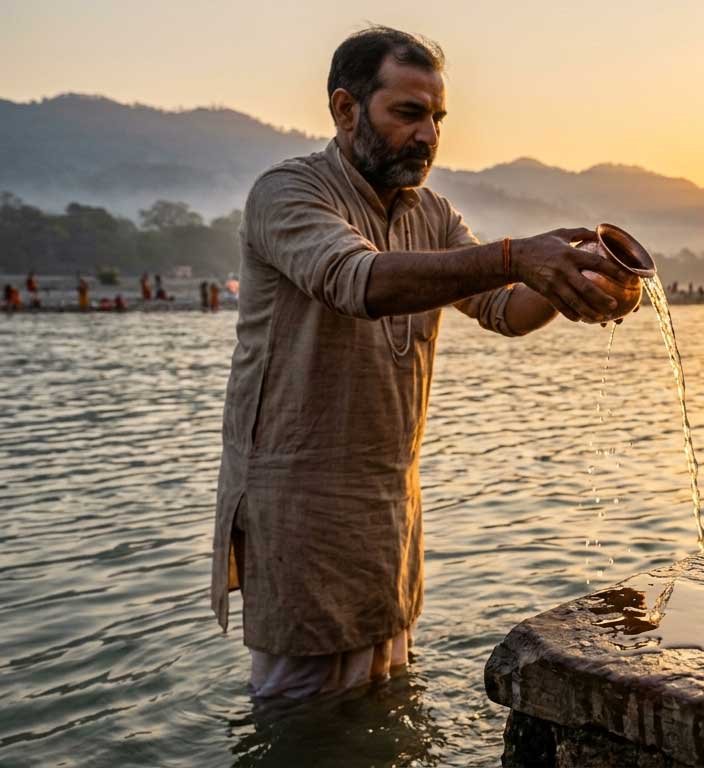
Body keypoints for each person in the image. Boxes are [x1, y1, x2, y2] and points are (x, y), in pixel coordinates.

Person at [210, 26, 632, 700]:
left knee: (386, 696)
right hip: (299, 505)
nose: (429, 136)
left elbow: (504, 310)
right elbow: (359, 280)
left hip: (389, 502)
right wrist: (514, 255)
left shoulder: (428, 213)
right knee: (301, 716)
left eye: (436, 117)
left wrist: (577, 279)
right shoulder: (288, 194)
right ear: (346, 111)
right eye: (407, 114)